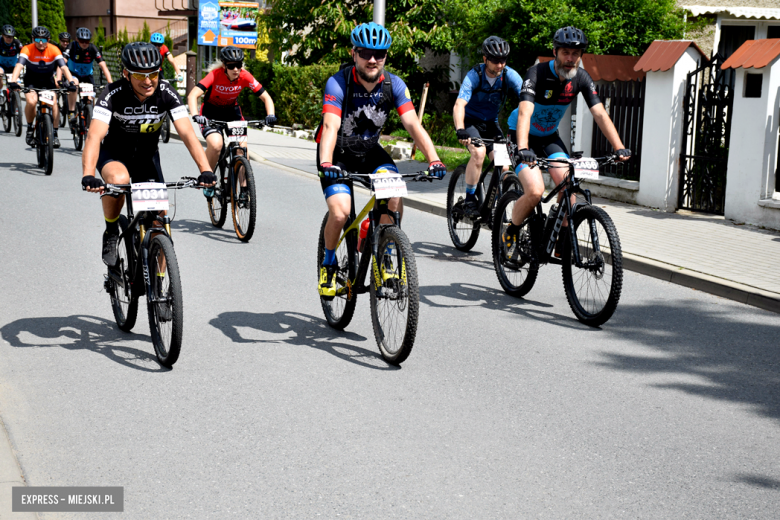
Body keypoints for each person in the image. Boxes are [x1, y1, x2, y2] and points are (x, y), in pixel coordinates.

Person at [315, 22, 446, 298]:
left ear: (386, 56)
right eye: (365, 53)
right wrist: (326, 164)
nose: (372, 59)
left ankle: (385, 255)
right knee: (340, 212)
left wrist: (433, 159)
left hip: (370, 151)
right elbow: (330, 127)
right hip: (337, 153)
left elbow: (412, 124)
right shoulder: (339, 83)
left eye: (380, 54)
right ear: (354, 54)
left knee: (395, 193)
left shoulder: (394, 84)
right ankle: (328, 263)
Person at [80, 42, 215, 267]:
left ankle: (161, 289)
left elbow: (187, 133)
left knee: (160, 222)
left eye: (153, 74)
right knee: (119, 180)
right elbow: (94, 136)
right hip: (115, 155)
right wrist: (88, 174)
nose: (148, 81)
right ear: (125, 73)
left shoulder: (166, 92)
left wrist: (206, 169)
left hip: (146, 159)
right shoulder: (112, 94)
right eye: (140, 75)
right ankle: (112, 231)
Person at [504, 26, 631, 256]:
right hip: (521, 135)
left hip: (549, 137)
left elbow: (600, 114)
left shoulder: (581, 78)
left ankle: (562, 238)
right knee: (535, 191)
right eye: (565, 53)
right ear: (555, 52)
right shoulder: (537, 74)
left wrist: (618, 147)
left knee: (568, 182)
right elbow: (524, 113)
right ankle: (511, 229)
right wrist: (522, 148)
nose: (571, 59)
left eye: (576, 53)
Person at [453, 36, 524, 219]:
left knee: (504, 165)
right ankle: (469, 199)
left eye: (503, 60)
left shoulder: (509, 75)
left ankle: (497, 207)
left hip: (491, 124)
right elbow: (459, 104)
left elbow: (526, 99)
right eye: (495, 60)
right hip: (470, 123)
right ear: (485, 59)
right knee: (479, 153)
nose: (500, 65)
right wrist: (460, 129)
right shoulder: (474, 75)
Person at [187, 45, 276, 189]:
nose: (236, 69)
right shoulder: (215, 75)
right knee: (216, 144)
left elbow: (266, 97)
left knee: (242, 147)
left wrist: (270, 115)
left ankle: (245, 189)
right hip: (210, 112)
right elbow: (193, 95)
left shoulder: (245, 76)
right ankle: (207, 179)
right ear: (224, 66)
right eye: (231, 66)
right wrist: (196, 115)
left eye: (239, 65)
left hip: (231, 111)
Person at [8, 26, 77, 149]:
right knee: (31, 101)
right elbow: (19, 65)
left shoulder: (54, 49)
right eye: (37, 39)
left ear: (48, 40)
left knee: (54, 103)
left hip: (48, 81)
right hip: (31, 81)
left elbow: (64, 67)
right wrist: (13, 81)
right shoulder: (27, 49)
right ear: (33, 39)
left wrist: (71, 82)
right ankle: (30, 129)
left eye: (44, 40)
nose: (41, 43)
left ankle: (54, 134)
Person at [58, 27, 113, 126]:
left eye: (87, 41)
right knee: (74, 85)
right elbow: (61, 63)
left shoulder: (92, 48)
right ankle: (71, 111)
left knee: (89, 98)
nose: (84, 43)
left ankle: (89, 115)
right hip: (73, 74)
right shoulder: (72, 46)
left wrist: (110, 82)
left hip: (87, 75)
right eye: (82, 41)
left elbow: (103, 65)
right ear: (77, 40)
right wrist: (58, 79)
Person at [0, 25, 23, 97]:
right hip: (1, 65)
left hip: (13, 66)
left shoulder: (17, 42)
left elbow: (23, 54)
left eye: (11, 36)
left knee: (17, 86)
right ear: (3, 35)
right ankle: (0, 91)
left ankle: (16, 104)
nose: (9, 38)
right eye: (7, 36)